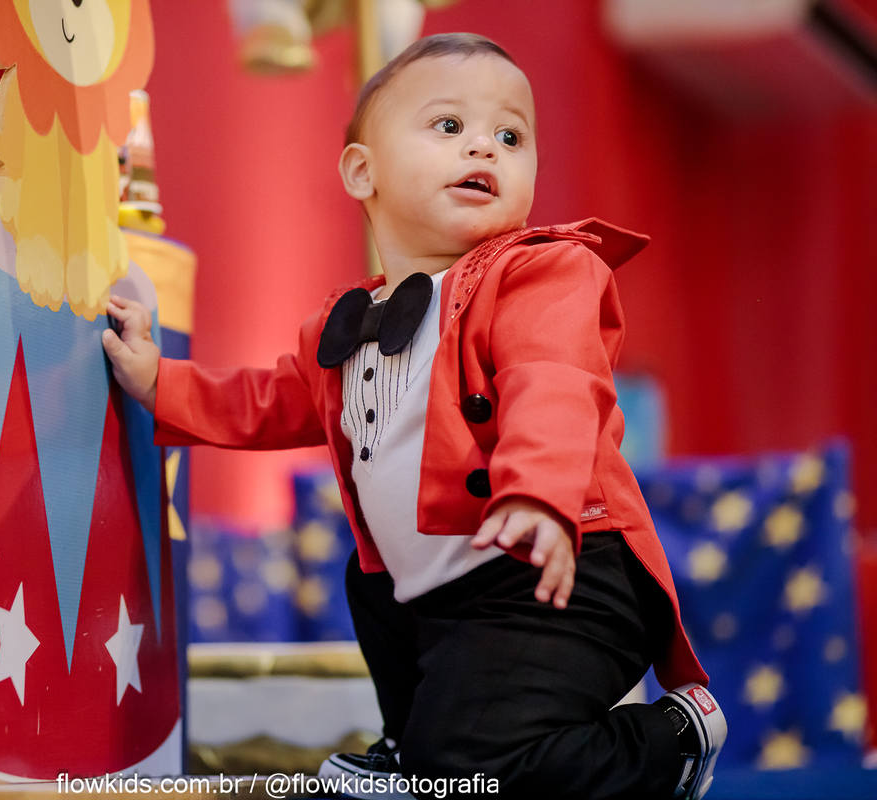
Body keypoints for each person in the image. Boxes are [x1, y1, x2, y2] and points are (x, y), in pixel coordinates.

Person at [102, 33, 726, 800]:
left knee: (470, 767)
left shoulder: (541, 273)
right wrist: (159, 382)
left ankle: (667, 745)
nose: (485, 148)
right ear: (362, 171)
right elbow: (267, 402)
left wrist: (538, 492)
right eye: (449, 126)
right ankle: (412, 746)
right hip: (441, 590)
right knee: (372, 587)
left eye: (511, 136)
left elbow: (556, 385)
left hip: (556, 563)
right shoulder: (347, 323)